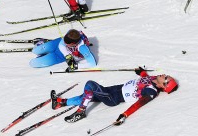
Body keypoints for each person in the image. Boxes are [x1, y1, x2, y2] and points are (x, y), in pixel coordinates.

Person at [50, 66, 178, 124]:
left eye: (166, 78)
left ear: (163, 86)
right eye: (166, 75)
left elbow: (138, 105)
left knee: (90, 85)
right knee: (87, 95)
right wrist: (142, 72)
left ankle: (81, 112)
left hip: (113, 98)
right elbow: (146, 78)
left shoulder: (151, 92)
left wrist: (124, 115)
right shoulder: (154, 78)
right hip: (114, 89)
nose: (164, 75)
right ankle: (61, 103)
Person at [29, 29, 97, 70]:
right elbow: (61, 44)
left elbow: (93, 63)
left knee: (33, 63)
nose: (65, 43)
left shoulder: (82, 48)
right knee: (35, 50)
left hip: (60, 56)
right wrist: (66, 53)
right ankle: (43, 44)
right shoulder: (71, 33)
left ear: (74, 44)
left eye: (67, 43)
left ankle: (43, 56)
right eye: (65, 40)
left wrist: (77, 66)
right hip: (57, 44)